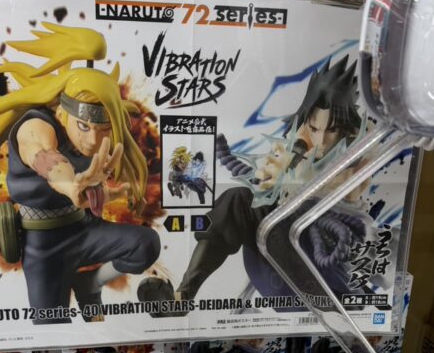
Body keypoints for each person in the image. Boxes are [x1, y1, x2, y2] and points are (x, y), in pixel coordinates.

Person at [0, 23, 161, 324]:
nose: (93, 140)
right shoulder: (36, 125)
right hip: (44, 245)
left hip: (84, 230)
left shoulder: (99, 136)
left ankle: (90, 283)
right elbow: (44, 156)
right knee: (51, 325)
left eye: (103, 129)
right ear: (62, 113)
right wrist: (70, 185)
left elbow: (85, 188)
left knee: (145, 244)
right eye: (84, 127)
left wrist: (110, 194)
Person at [139, 55, 361, 311]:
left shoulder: (356, 159)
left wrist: (308, 167)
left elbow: (347, 196)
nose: (320, 140)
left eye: (331, 130)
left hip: (319, 273)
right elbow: (265, 184)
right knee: (238, 199)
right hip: (277, 258)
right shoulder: (296, 149)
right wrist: (293, 156)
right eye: (314, 127)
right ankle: (183, 297)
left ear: (346, 129)